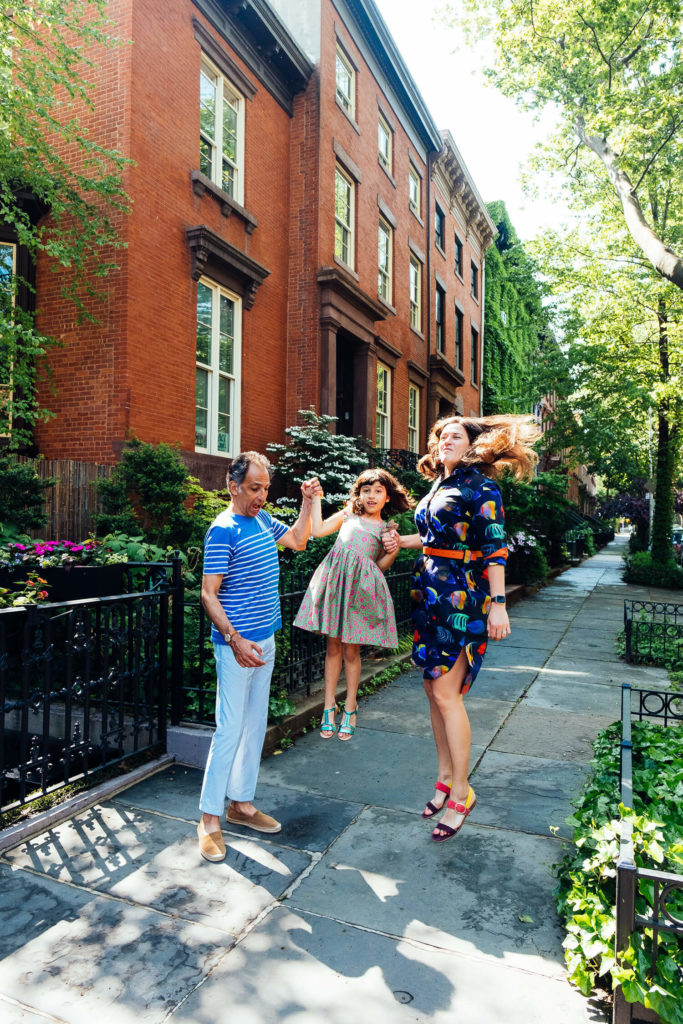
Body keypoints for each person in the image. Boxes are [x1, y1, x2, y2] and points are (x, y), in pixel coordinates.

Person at [383, 416, 539, 842]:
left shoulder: (480, 487)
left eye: (456, 435)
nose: (445, 439)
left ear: (471, 445)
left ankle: (462, 793)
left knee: (448, 695)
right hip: (429, 598)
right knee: (433, 692)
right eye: (441, 435)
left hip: (464, 599)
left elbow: (493, 547)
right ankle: (445, 778)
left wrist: (500, 604)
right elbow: (438, 538)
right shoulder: (439, 484)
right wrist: (401, 541)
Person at [197, 451, 320, 863]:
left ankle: (241, 805)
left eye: (266, 487)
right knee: (229, 730)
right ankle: (209, 819)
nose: (262, 496)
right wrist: (233, 639)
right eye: (255, 488)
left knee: (253, 728)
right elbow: (208, 594)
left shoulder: (264, 520)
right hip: (237, 648)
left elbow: (300, 540)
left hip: (264, 642)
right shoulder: (223, 530)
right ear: (233, 487)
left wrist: (307, 502)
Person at [294, 468, 413, 741]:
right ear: (358, 493)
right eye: (366, 490)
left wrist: (392, 552)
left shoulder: (386, 529)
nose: (371, 496)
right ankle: (328, 706)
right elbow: (320, 530)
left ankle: (350, 707)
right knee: (333, 647)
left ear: (387, 497)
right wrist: (315, 500)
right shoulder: (349, 513)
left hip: (359, 592)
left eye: (378, 491)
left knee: (351, 651)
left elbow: (378, 568)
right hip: (336, 585)